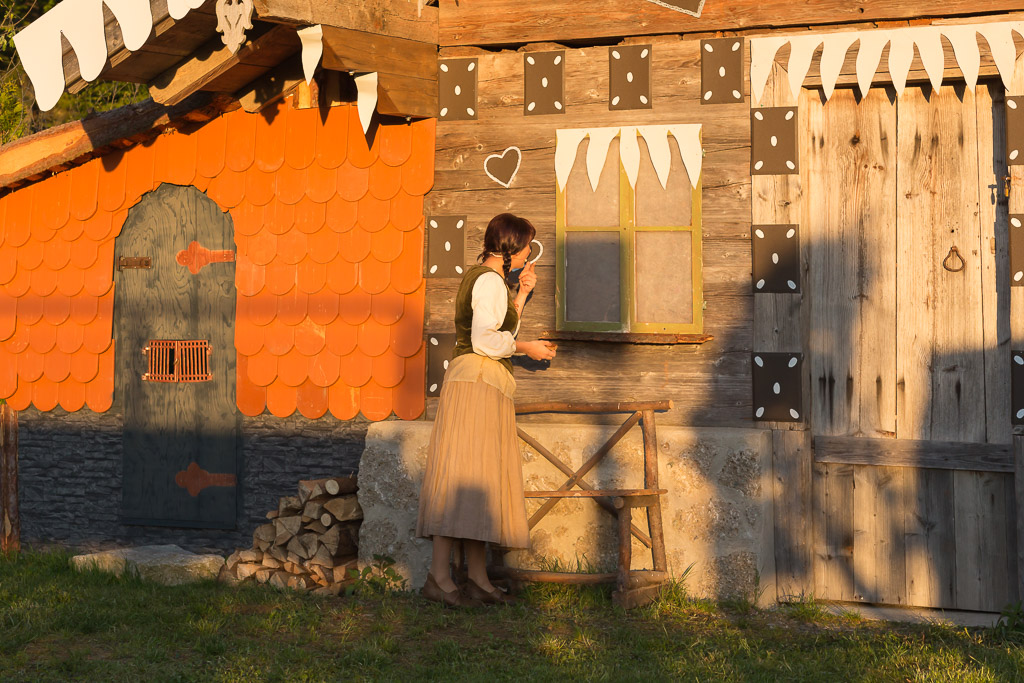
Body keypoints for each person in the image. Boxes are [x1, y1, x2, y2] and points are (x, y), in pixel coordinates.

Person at [416, 213, 557, 606]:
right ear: (512, 247)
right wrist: (528, 348)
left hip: (477, 382)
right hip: (477, 382)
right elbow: (484, 341)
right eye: (526, 246)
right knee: (463, 475)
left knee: (478, 477)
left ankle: (477, 579)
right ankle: (439, 578)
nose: (529, 254)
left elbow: (497, 329)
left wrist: (521, 295)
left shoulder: (485, 279)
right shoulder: (490, 281)